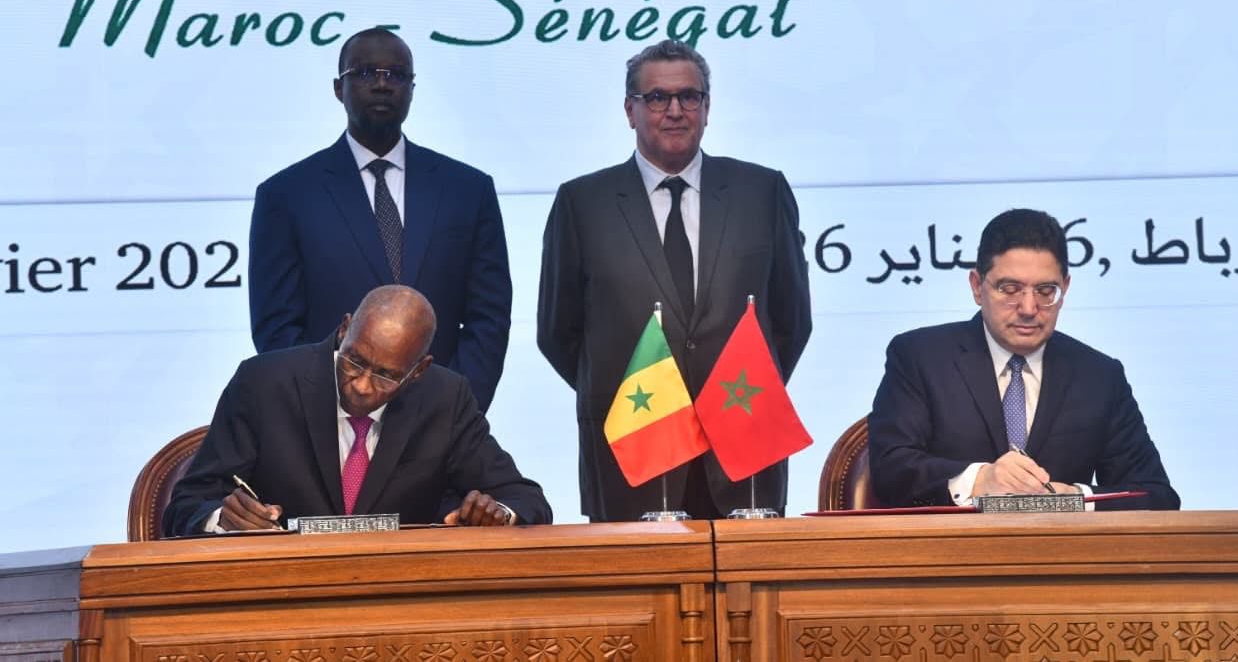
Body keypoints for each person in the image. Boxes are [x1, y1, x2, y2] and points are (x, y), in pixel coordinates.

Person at [537, 39, 812, 521]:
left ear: (707, 107)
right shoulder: (583, 203)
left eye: (689, 96)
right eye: (657, 98)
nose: (675, 110)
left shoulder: (761, 191)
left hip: (742, 446)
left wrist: (734, 392)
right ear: (630, 110)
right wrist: (620, 388)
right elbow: (559, 333)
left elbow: (791, 320)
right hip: (635, 450)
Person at [249, 27, 511, 412]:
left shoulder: (467, 190)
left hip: (441, 416)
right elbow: (277, 329)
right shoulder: (287, 195)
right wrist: (329, 408)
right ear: (338, 88)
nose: (383, 85)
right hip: (331, 417)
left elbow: (489, 317)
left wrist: (455, 408)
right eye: (366, 73)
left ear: (412, 89)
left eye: (397, 75)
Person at [163, 286, 551, 536]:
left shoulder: (445, 399)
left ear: (419, 370)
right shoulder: (263, 384)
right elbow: (187, 504)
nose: (363, 386)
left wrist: (496, 514)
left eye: (386, 376)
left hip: (399, 600)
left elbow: (525, 498)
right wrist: (223, 519)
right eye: (354, 362)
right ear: (344, 329)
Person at [868, 208, 1179, 510]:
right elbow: (890, 469)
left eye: (1046, 291)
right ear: (977, 286)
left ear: (1065, 288)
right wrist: (978, 480)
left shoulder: (1099, 376)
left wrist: (1076, 498)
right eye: (1010, 289)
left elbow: (1156, 495)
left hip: (1062, 546)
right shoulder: (920, 357)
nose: (1029, 308)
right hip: (951, 544)